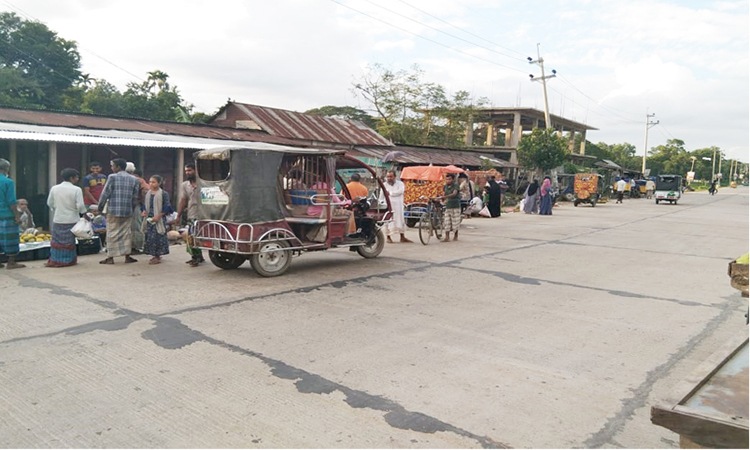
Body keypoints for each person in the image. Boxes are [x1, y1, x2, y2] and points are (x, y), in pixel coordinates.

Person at [97, 158, 141, 264]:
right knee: (126, 233)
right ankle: (127, 256)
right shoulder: (134, 179)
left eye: (113, 166)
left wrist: (100, 207)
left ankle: (110, 257)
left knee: (112, 233)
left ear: (118, 167)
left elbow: (105, 193)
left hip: (113, 210)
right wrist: (132, 208)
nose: (112, 168)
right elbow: (135, 197)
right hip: (127, 210)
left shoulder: (112, 177)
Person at [46, 168, 87, 267]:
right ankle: (68, 260)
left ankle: (56, 260)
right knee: (69, 241)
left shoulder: (54, 188)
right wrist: (84, 213)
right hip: (72, 219)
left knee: (57, 240)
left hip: (58, 219)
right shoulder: (76, 189)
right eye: (76, 177)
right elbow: (80, 206)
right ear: (71, 178)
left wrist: (56, 209)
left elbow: (49, 203)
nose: (77, 179)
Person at [176, 163, 204, 267]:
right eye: (186, 171)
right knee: (192, 236)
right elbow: (183, 200)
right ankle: (195, 257)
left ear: (196, 171)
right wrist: (178, 215)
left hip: (205, 214)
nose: (188, 173)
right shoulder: (185, 185)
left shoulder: (203, 183)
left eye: (190, 170)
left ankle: (199, 256)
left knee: (200, 236)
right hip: (192, 214)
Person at [141, 175, 173, 265]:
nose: (151, 184)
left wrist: (159, 216)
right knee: (150, 237)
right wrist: (143, 211)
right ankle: (153, 255)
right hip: (149, 219)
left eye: (153, 182)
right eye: (150, 182)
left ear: (159, 183)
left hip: (159, 219)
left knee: (157, 237)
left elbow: (167, 206)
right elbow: (144, 205)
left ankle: (157, 256)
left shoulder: (163, 194)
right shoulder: (147, 193)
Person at [0, 158, 24, 269]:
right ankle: (11, 262)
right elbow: (11, 201)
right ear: (6, 169)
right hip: (6, 214)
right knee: (11, 238)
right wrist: (17, 216)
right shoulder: (8, 182)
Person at [382, 170, 411, 243]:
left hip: (398, 206)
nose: (389, 178)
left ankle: (402, 237)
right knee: (388, 221)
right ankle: (388, 237)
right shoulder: (384, 185)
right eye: (388, 177)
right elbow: (381, 195)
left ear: (395, 177)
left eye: (391, 176)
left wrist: (390, 193)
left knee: (400, 220)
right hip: (388, 206)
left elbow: (400, 191)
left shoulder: (400, 184)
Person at [128, 166, 149, 255]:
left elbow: (144, 194)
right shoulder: (142, 181)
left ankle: (137, 247)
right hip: (141, 206)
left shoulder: (137, 180)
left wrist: (144, 207)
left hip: (137, 205)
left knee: (136, 227)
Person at [441, 173, 461, 242]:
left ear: (453, 179)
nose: (448, 181)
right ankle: (447, 237)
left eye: (449, 179)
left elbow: (454, 194)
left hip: (455, 206)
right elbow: (443, 194)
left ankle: (456, 236)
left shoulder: (456, 186)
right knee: (447, 222)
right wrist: (441, 198)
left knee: (455, 222)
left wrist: (445, 197)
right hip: (448, 206)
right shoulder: (445, 186)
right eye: (447, 179)